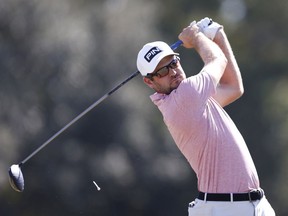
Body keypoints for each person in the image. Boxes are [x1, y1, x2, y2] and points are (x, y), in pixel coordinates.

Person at [136, 18, 275, 216]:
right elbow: (218, 60)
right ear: (149, 82)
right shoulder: (186, 96)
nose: (173, 71)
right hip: (226, 208)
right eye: (162, 71)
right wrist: (197, 37)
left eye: (173, 62)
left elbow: (233, 88)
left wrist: (217, 34)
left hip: (251, 204)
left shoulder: (192, 100)